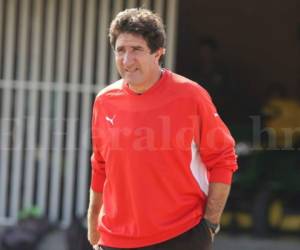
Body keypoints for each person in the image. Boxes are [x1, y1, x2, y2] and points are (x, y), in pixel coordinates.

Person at [87, 8, 238, 250]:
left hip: (180, 236)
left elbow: (223, 159)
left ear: (158, 53)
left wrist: (210, 223)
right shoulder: (105, 101)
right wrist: (94, 226)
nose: (127, 61)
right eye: (121, 50)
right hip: (115, 240)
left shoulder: (191, 96)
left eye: (136, 50)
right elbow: (101, 166)